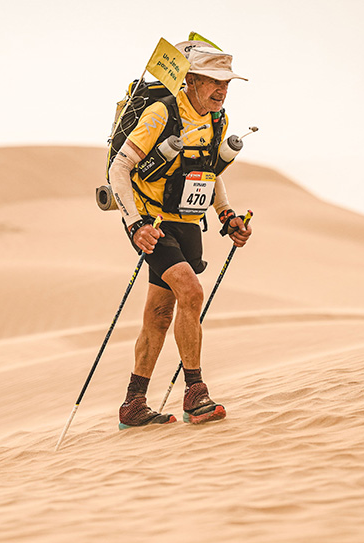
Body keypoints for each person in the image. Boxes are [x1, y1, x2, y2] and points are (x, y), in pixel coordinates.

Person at [107, 46, 252, 428]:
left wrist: (226, 214)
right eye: (213, 82)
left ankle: (133, 404)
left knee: (158, 315)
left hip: (186, 221)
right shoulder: (162, 113)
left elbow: (210, 168)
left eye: (226, 83)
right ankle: (195, 393)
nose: (221, 90)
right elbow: (120, 168)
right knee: (191, 291)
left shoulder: (217, 118)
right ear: (190, 80)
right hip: (151, 223)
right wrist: (135, 224)